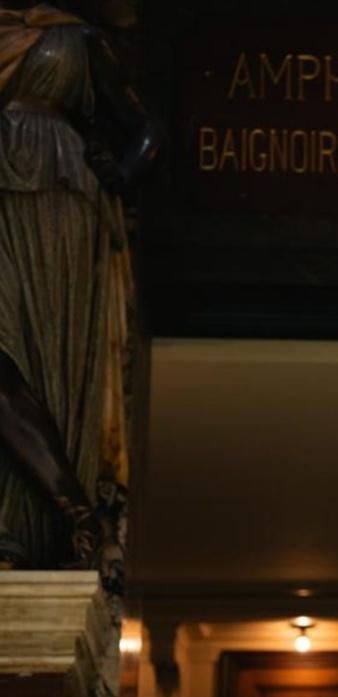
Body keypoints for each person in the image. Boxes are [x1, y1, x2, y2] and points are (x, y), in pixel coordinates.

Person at [0, 2, 162, 578]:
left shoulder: (75, 37)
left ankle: (46, 528)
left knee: (49, 356)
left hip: (56, 190)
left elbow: (145, 128)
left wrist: (123, 171)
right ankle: (76, 512)